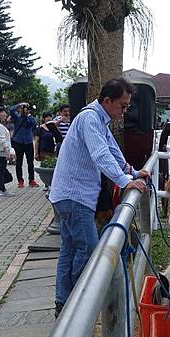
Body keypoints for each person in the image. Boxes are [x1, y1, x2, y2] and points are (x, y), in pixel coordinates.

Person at [49, 78, 150, 318]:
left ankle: (63, 302)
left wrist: (133, 172)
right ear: (107, 101)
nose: (124, 111)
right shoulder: (90, 119)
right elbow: (101, 154)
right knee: (88, 248)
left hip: (68, 195)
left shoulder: (98, 120)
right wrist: (125, 181)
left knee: (70, 249)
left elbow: (112, 150)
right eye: (122, 106)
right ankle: (76, 303)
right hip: (75, 197)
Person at [9, 102, 39, 188]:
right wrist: (20, 105)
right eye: (24, 108)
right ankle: (20, 181)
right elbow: (11, 110)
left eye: (27, 108)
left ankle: (31, 180)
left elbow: (32, 124)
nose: (25, 109)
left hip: (29, 142)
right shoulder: (17, 118)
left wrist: (27, 115)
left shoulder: (32, 119)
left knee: (30, 162)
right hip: (18, 142)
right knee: (19, 162)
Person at [0, 106, 15, 197]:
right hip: (1, 152)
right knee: (0, 170)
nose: (4, 114)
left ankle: (0, 188)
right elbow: (3, 141)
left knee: (0, 169)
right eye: (2, 112)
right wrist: (8, 152)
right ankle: (2, 189)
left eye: (5, 112)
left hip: (0, 152)